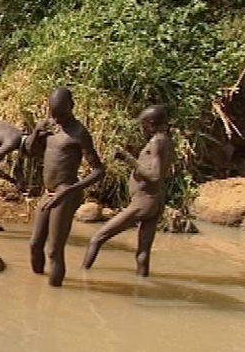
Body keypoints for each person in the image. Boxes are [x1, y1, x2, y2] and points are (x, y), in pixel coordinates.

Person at [25, 87, 105, 287]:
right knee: (35, 244)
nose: (57, 119)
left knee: (54, 249)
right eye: (54, 114)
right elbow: (30, 152)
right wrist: (36, 133)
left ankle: (54, 293)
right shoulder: (49, 126)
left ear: (72, 107)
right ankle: (36, 288)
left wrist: (72, 189)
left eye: (61, 114)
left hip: (65, 194)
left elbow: (98, 171)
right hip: (48, 192)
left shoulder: (79, 133)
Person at [83, 105, 173, 276]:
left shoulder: (157, 142)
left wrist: (128, 158)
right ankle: (142, 286)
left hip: (144, 201)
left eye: (143, 124)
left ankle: (80, 277)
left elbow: (154, 176)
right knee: (142, 253)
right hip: (155, 200)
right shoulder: (166, 140)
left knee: (97, 238)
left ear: (151, 124)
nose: (142, 128)